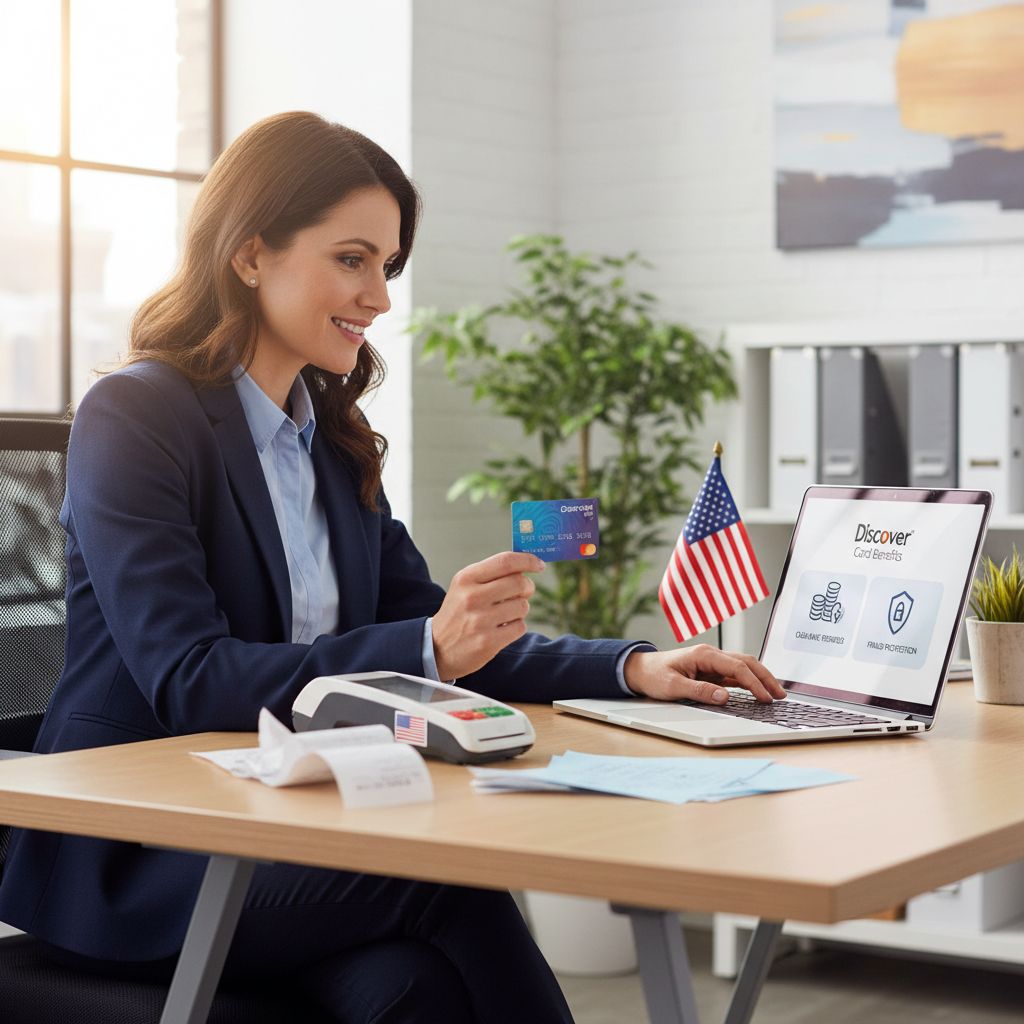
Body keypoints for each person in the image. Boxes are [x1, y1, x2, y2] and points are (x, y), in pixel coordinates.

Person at [0, 111, 784, 1023]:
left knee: (408, 991)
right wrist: (431, 645)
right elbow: (188, 677)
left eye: (388, 266)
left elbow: (446, 635)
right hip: (142, 854)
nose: (378, 296)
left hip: (290, 824)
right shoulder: (136, 416)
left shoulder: (332, 442)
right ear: (250, 253)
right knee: (453, 880)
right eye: (353, 258)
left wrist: (632, 666)